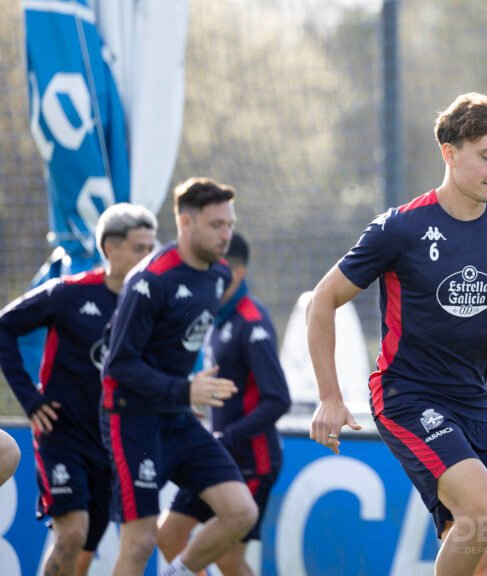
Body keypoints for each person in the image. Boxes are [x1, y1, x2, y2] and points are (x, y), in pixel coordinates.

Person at [306, 92, 487, 576]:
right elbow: (321, 301)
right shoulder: (401, 228)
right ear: (450, 153)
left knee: (479, 553)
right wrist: (330, 396)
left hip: (472, 402)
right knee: (486, 511)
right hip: (407, 395)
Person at [101, 178, 258, 576]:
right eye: (215, 225)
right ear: (185, 224)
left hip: (179, 417)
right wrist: (186, 388)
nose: (226, 235)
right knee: (138, 544)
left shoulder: (219, 276)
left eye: (229, 224)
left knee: (241, 512)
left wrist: (188, 389)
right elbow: (117, 364)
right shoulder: (150, 281)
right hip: (133, 419)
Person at [0, 203, 157, 576]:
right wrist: (30, 399)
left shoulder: (150, 306)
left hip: (112, 443)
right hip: (62, 437)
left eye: (152, 249)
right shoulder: (68, 293)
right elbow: (4, 326)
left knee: (81, 554)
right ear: (109, 249)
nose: (148, 258)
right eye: (139, 248)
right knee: (71, 535)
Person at [156, 233, 291, 576]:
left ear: (239, 272)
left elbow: (278, 399)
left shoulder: (252, 321)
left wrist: (228, 435)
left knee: (229, 560)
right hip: (217, 453)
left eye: (220, 267)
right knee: (168, 534)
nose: (211, 274)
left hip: (252, 460)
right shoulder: (213, 315)